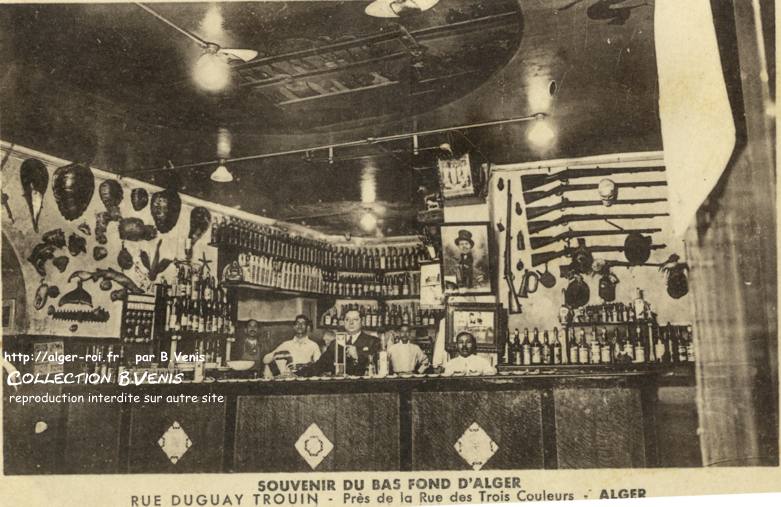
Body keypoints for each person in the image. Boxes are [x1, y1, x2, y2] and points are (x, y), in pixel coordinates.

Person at [298, 309, 380, 376]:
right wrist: (298, 373)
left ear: (362, 322)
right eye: (347, 319)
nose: (351, 323)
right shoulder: (336, 342)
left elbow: (378, 367)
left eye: (355, 319)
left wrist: (357, 356)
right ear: (344, 322)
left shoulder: (372, 341)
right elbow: (320, 365)